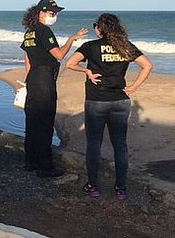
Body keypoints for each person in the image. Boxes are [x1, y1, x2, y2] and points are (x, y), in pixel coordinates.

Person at [65, 13, 153, 201]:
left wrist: (87, 70)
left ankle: (93, 186)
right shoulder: (125, 46)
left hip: (96, 101)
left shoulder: (90, 46)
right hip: (120, 101)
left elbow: (70, 64)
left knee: (94, 143)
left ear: (100, 29)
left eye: (96, 25)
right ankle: (120, 188)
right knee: (120, 144)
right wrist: (134, 87)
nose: (95, 28)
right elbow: (147, 66)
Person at [20, 0, 87, 178]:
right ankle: (45, 166)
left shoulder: (30, 32)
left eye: (55, 13)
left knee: (32, 120)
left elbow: (27, 58)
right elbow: (58, 55)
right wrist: (72, 39)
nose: (54, 16)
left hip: (33, 77)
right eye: (52, 13)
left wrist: (29, 79)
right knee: (45, 122)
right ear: (41, 12)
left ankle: (30, 161)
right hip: (44, 79)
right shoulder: (44, 31)